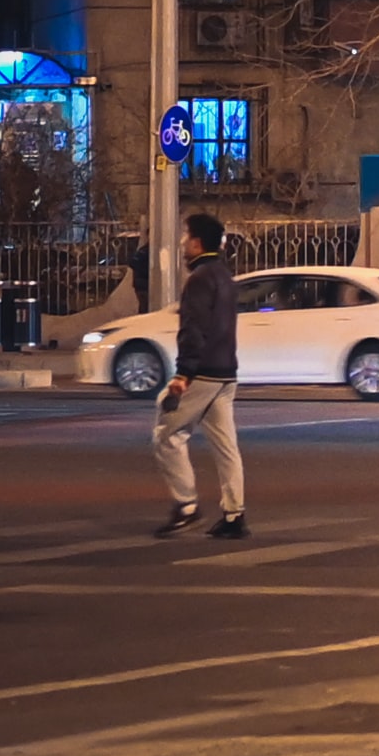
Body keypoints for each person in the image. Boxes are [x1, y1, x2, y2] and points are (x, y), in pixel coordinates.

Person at [153, 213, 245, 540]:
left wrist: (183, 374)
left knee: (167, 434)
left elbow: (193, 329)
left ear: (196, 242)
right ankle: (234, 515)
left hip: (203, 373)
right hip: (226, 373)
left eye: (186, 236)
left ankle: (186, 506)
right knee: (226, 446)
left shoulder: (200, 279)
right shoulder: (225, 276)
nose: (182, 243)